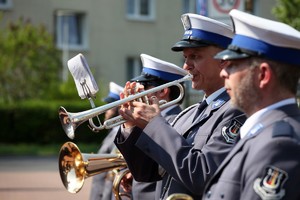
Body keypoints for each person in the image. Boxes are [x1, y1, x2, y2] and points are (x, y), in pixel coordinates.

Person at [114, 13, 246, 199]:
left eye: (195, 56)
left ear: (223, 60)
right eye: (185, 57)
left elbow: (204, 175)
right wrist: (131, 126)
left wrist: (154, 124)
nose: (186, 66)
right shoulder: (187, 114)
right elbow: (147, 174)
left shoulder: (236, 111)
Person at [202, 9, 300, 200]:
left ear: (263, 75)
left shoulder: (279, 145)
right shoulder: (263, 133)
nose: (224, 73)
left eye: (232, 65)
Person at [125, 53, 188, 200]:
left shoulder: (174, 121)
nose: (139, 91)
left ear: (162, 91)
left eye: (145, 87)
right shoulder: (155, 122)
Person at [89, 81, 124, 200]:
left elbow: (112, 173)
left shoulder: (120, 133)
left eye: (109, 107)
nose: (105, 111)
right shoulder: (113, 131)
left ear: (119, 108)